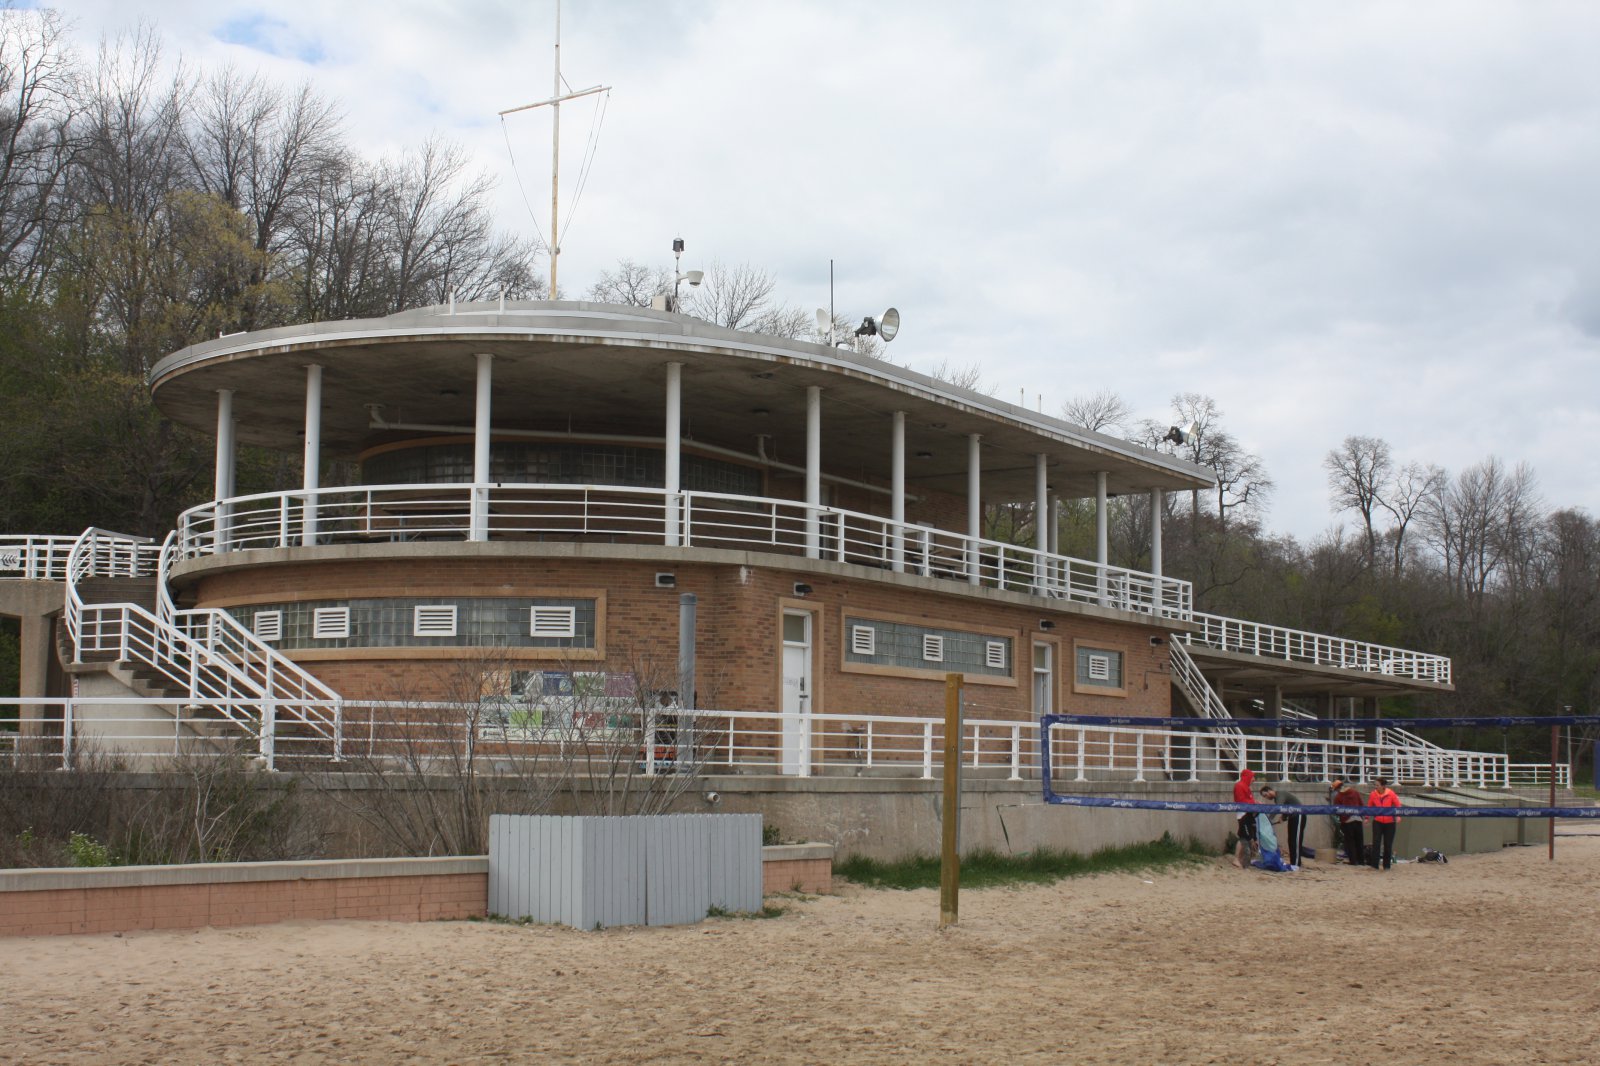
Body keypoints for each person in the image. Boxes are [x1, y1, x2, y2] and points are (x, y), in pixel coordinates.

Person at [1259, 784, 1306, 867]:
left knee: (1296, 840)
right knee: (1291, 840)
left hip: (1299, 815)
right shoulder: (1277, 799)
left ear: (1269, 790)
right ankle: (1293, 862)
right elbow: (1286, 808)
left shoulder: (1280, 795)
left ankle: (1296, 863)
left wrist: (1269, 819)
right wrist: (1283, 817)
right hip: (1292, 817)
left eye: (1266, 795)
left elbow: (1278, 807)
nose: (1267, 797)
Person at [1367, 777, 1401, 871]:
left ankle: (1386, 866)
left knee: (1388, 844)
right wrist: (1367, 818)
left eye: (1377, 785)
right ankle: (1374, 865)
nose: (1375, 787)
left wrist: (1398, 816)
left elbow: (1398, 805)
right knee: (1376, 843)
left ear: (1383, 786)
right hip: (1377, 821)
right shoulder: (1373, 794)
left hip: (1389, 822)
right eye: (1375, 785)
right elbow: (1369, 806)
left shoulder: (1391, 793)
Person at [1331, 778, 1365, 866]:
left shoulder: (1339, 796)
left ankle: (1353, 861)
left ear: (1337, 789)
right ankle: (1361, 860)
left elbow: (1336, 810)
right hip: (1358, 819)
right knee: (1359, 841)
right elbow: (1362, 804)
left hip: (1347, 821)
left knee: (1350, 842)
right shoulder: (1355, 792)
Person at [1232, 766, 1257, 869]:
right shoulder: (1239, 786)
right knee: (1245, 838)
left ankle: (1239, 859)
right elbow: (1241, 801)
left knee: (1244, 837)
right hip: (1243, 815)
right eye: (1252, 777)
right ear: (1247, 777)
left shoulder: (1246, 787)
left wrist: (1254, 804)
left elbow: (1249, 800)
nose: (1253, 780)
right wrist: (1254, 803)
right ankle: (1239, 860)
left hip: (1248, 814)